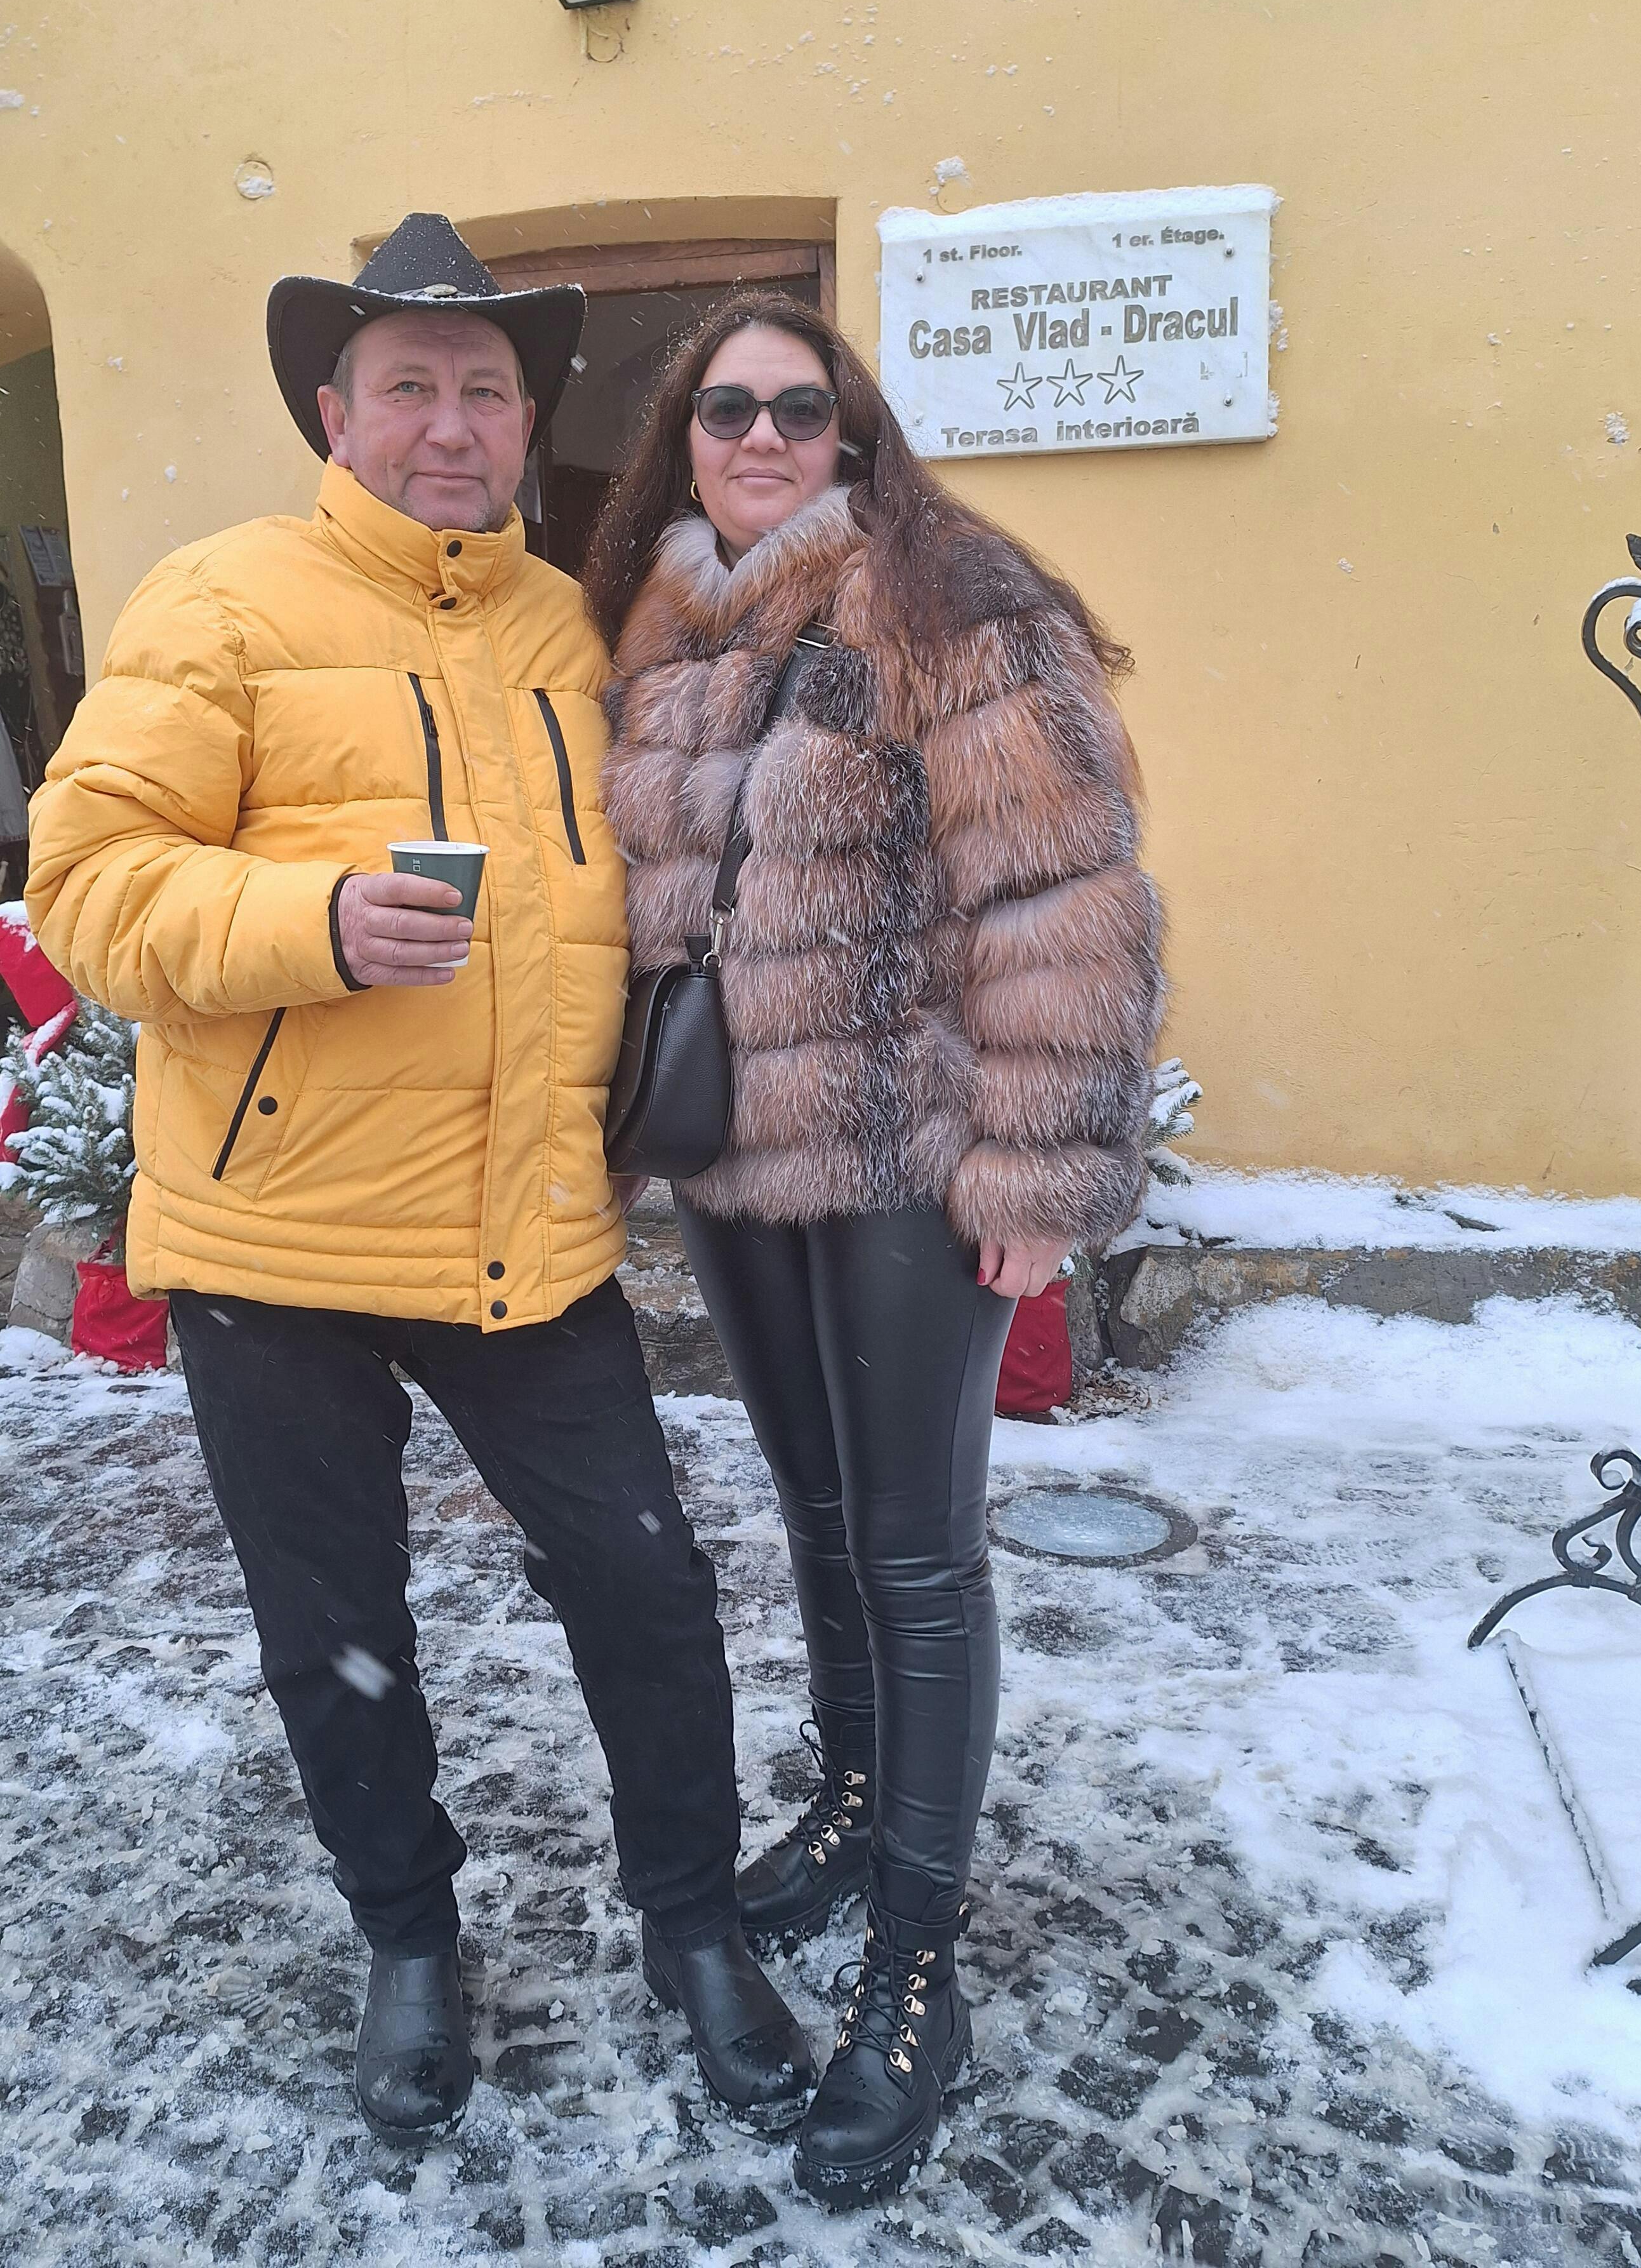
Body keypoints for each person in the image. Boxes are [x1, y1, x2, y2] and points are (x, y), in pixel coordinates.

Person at [25, 217, 812, 2144]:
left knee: (648, 1587)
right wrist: (309, 920)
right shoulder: (220, 601)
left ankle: (694, 1924)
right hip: (271, 1240)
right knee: (337, 1631)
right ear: (335, 410)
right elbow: (89, 886)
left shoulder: (575, 626)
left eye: (485, 392)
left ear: (526, 419)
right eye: (409, 387)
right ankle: (405, 1939)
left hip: (521, 1227)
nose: (450, 425)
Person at [587, 294, 1163, 2208]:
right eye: (724, 407)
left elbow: (1061, 888)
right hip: (734, 1160)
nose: (758, 435)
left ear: (851, 432)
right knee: (820, 1519)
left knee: (916, 1552)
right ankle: (852, 1800)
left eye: (798, 407)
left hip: (916, 1152)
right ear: (683, 437)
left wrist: (1040, 1174)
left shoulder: (947, 598)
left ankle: (920, 1962)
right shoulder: (660, 624)